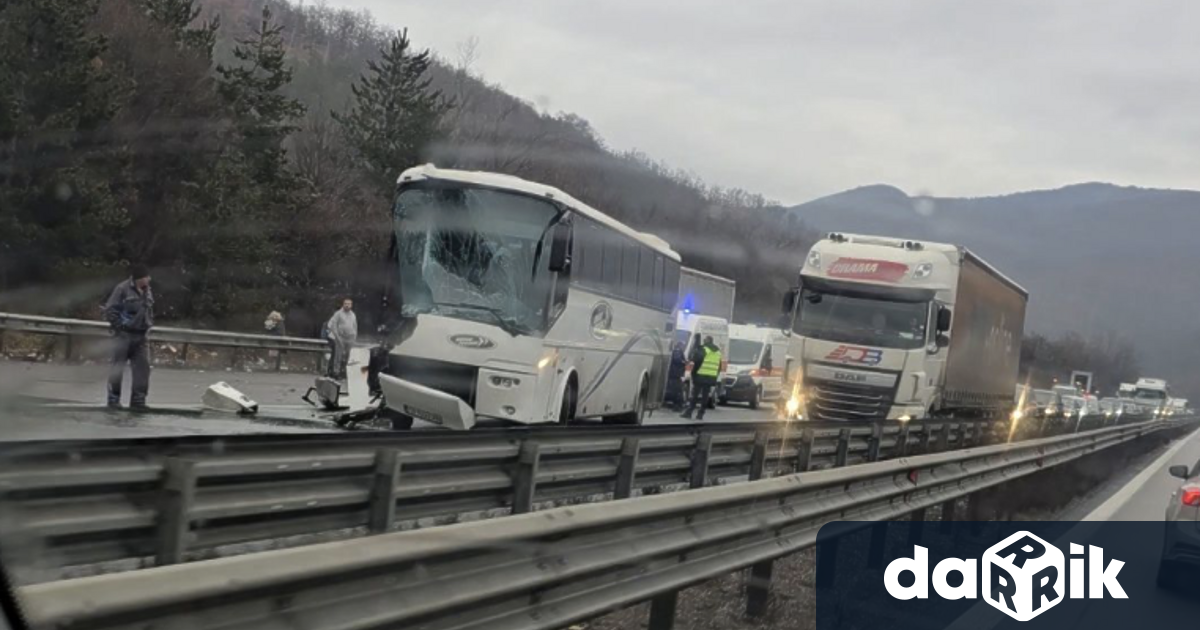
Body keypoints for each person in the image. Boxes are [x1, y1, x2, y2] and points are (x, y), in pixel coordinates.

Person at [104, 264, 154, 409]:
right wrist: (120, 326)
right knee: (117, 368)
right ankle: (113, 400)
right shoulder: (122, 289)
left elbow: (148, 309)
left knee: (142, 369)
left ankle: (138, 401)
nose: (149, 279)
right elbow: (110, 309)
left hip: (141, 336)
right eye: (146, 277)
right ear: (139, 278)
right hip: (123, 336)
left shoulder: (148, 290)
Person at [681, 335, 722, 420]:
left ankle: (689, 412)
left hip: (700, 375)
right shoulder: (718, 352)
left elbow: (696, 360)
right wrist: (715, 375)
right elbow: (719, 366)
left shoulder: (703, 349)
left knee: (695, 395)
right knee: (705, 396)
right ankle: (700, 414)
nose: (703, 341)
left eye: (705, 340)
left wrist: (694, 373)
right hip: (711, 377)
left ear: (707, 341)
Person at [325, 298, 358, 380]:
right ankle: (336, 373)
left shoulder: (353, 314)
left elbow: (355, 326)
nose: (347, 305)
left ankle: (345, 372)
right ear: (343, 304)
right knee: (338, 356)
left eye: (349, 304)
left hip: (350, 337)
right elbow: (333, 326)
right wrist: (337, 337)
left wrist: (355, 336)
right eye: (345, 303)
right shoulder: (338, 314)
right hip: (341, 337)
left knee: (348, 356)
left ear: (351, 305)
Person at [665, 341, 687, 410]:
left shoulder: (677, 351)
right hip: (676, 374)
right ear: (680, 345)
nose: (684, 347)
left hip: (676, 374)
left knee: (678, 390)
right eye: (683, 346)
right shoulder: (677, 351)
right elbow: (677, 360)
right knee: (677, 390)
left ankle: (678, 405)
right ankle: (678, 405)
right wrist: (684, 362)